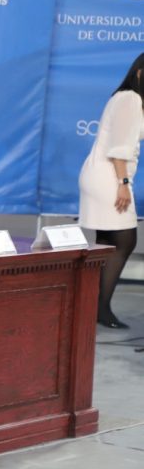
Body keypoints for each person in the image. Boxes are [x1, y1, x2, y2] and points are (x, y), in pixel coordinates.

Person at [78, 53, 144, 329]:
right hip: (109, 178)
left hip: (103, 175)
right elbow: (120, 146)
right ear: (139, 72)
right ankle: (100, 308)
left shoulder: (126, 98)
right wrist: (123, 184)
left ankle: (93, 306)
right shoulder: (131, 99)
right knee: (125, 240)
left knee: (107, 243)